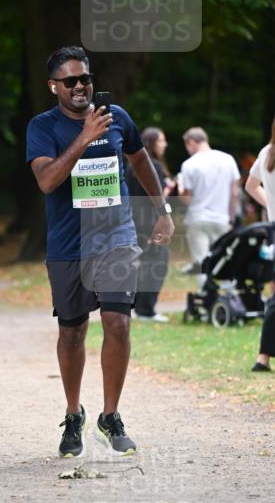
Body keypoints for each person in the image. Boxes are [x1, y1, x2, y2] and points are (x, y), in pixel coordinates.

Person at [26, 46, 174, 459]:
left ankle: (110, 416)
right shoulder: (42, 127)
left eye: (85, 78)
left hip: (116, 239)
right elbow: (48, 181)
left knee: (118, 323)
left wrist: (161, 210)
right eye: (70, 80)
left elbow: (141, 161)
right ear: (53, 85)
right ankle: (74, 414)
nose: (80, 86)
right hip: (69, 245)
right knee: (71, 332)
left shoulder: (118, 118)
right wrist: (84, 137)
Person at [178, 127, 241, 282]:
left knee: (200, 262)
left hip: (197, 218)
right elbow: (234, 193)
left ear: (191, 142)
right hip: (221, 219)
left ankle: (205, 298)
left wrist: (180, 186)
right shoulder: (228, 159)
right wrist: (231, 218)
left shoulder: (189, 164)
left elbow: (186, 198)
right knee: (225, 260)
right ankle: (229, 297)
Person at [126, 126, 175, 322]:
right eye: (161, 140)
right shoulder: (152, 165)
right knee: (157, 263)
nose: (164, 144)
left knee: (146, 264)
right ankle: (145, 310)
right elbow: (157, 197)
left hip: (136, 219)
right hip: (150, 221)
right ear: (152, 143)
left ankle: (139, 307)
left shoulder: (133, 165)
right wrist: (169, 189)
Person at [245, 118, 275, 373]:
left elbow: (250, 186)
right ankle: (263, 356)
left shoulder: (267, 152)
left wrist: (270, 205)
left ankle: (263, 357)